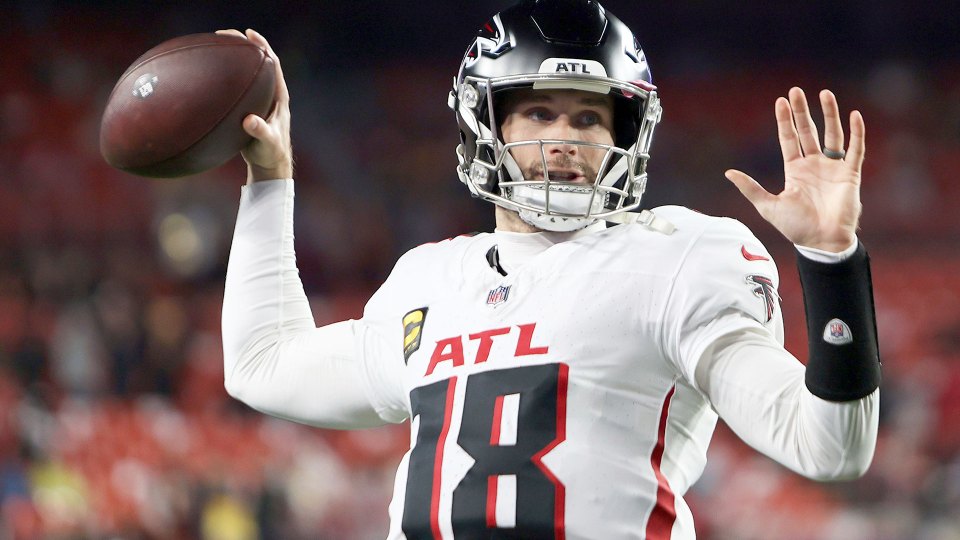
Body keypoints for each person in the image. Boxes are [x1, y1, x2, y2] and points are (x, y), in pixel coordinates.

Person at [220, 1, 880, 538]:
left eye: (590, 117)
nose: (564, 137)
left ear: (625, 137)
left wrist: (831, 263)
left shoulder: (675, 257)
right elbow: (261, 366)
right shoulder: (430, 279)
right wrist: (269, 179)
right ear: (487, 126)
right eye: (538, 111)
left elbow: (829, 446)